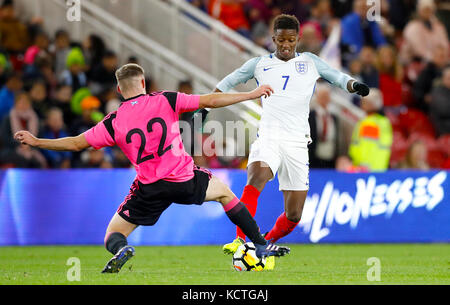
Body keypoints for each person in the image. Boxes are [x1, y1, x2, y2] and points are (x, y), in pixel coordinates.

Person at [14, 63, 289, 273]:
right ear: (143, 82)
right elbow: (210, 101)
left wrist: (37, 141)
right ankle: (261, 244)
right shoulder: (165, 99)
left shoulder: (114, 120)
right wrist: (251, 94)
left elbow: (76, 144)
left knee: (113, 233)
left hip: (149, 188)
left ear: (119, 90)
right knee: (226, 195)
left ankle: (121, 249)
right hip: (184, 178)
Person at [206, 15, 370, 259]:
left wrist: (354, 85)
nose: (286, 44)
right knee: (257, 175)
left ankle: (265, 243)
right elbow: (228, 82)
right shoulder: (259, 64)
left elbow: (336, 77)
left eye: (291, 40)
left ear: (297, 39)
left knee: (294, 214)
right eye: (281, 40)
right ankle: (241, 241)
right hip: (269, 135)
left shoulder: (310, 62)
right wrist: (206, 106)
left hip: (298, 142)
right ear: (273, 39)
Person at [349, 88, 393, 171]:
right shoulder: (382, 121)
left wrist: (363, 166)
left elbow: (367, 147)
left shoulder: (370, 124)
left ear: (371, 104)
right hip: (376, 168)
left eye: (364, 101)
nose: (361, 103)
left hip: (366, 169)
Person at [308, 83, 340, 168]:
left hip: (330, 160)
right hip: (313, 160)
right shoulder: (309, 116)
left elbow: (337, 139)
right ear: (317, 98)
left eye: (327, 96)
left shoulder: (333, 117)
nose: (324, 99)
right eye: (322, 96)